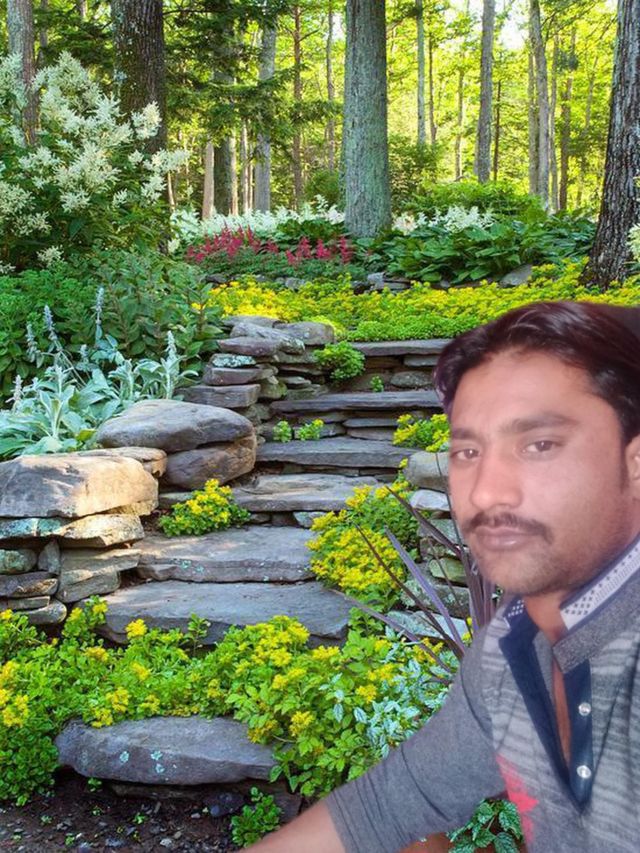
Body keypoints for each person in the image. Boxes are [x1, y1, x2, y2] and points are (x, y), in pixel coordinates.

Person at [247, 300, 640, 853]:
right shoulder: (514, 645)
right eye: (467, 450)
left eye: (540, 445)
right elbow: (387, 806)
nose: (485, 492)